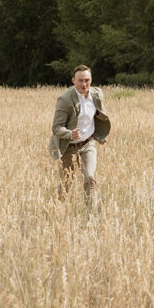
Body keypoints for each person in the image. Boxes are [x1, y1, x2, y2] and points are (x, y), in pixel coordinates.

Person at [49, 65, 111, 207]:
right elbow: (56, 127)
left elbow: (100, 116)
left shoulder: (97, 94)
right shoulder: (64, 99)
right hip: (69, 147)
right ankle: (58, 210)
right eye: (80, 80)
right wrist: (70, 134)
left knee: (90, 178)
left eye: (87, 80)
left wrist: (101, 135)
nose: (84, 84)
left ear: (91, 80)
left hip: (88, 144)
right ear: (73, 81)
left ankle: (91, 215)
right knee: (67, 182)